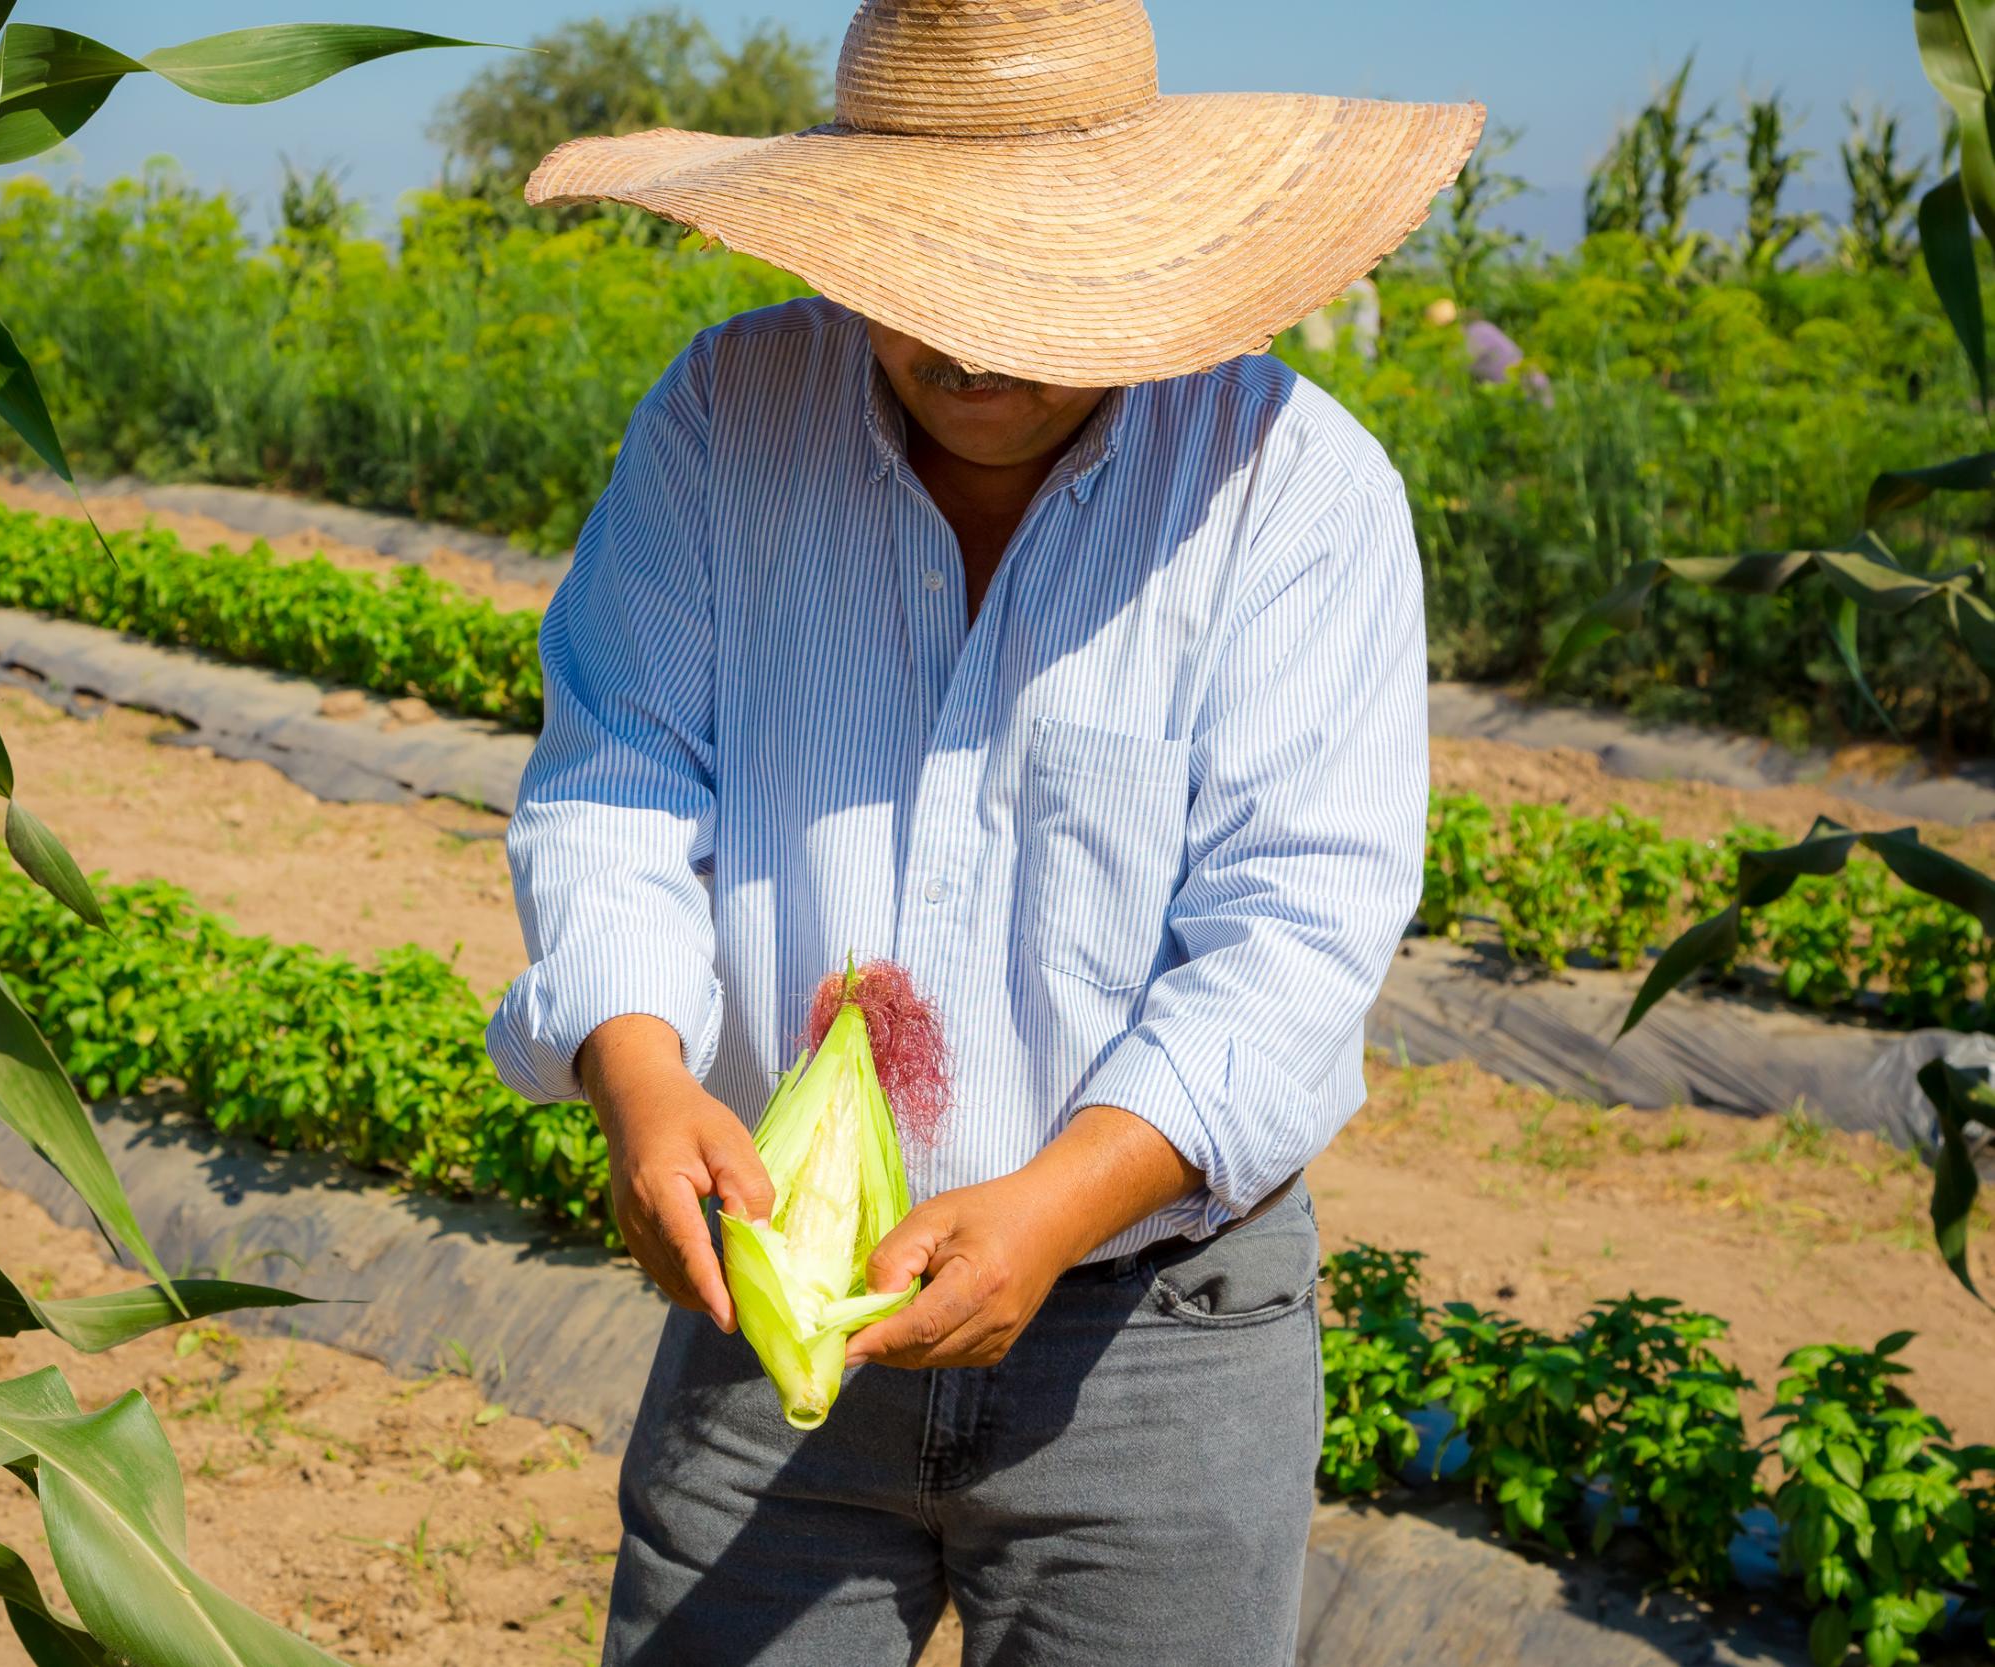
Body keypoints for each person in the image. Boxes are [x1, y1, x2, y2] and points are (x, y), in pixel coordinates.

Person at [483, 3, 1479, 1662]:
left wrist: (1054, 1207)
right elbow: (621, 775)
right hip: (776, 1312)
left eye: (1024, 289)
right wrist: (641, 1080)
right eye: (918, 281)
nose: (968, 344)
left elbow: (1295, 935)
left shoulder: (1292, 490)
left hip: (1153, 1343)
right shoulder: (728, 424)